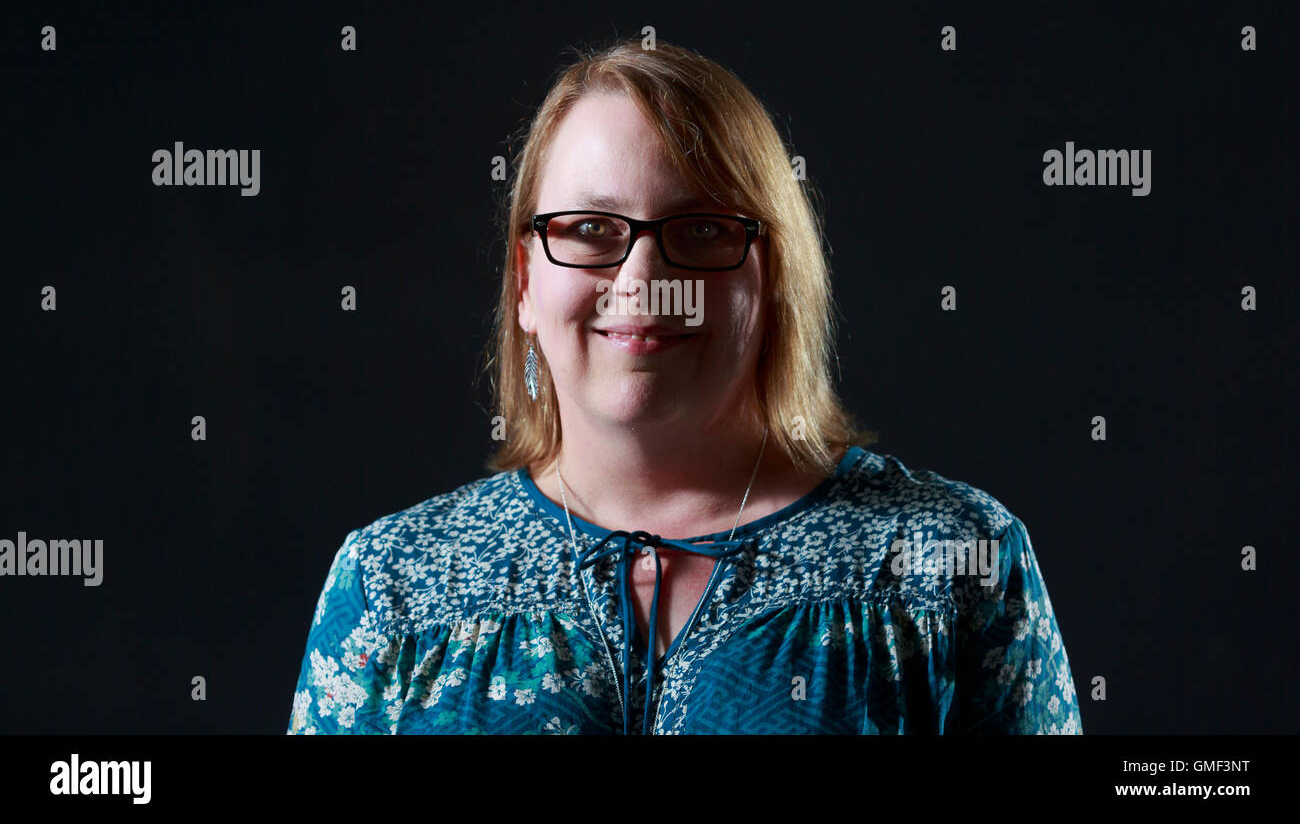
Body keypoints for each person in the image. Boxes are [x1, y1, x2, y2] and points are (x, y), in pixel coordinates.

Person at [287, 38, 1083, 734]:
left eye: (700, 230)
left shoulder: (954, 564)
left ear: (772, 279)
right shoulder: (391, 585)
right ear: (525, 280)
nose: (642, 281)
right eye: (592, 230)